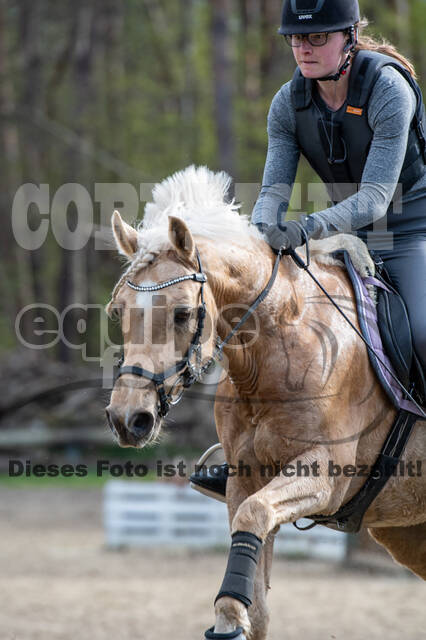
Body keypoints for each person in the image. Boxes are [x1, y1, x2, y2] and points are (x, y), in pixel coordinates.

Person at [190, 0, 426, 501]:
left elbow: (377, 198)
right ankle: (237, 453)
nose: (304, 48)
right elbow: (274, 190)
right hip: (348, 232)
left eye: (317, 38)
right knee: (272, 323)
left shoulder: (389, 88)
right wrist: (260, 234)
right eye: (296, 39)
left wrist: (307, 230)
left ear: (349, 38)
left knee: (420, 331)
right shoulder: (288, 102)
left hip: (412, 230)